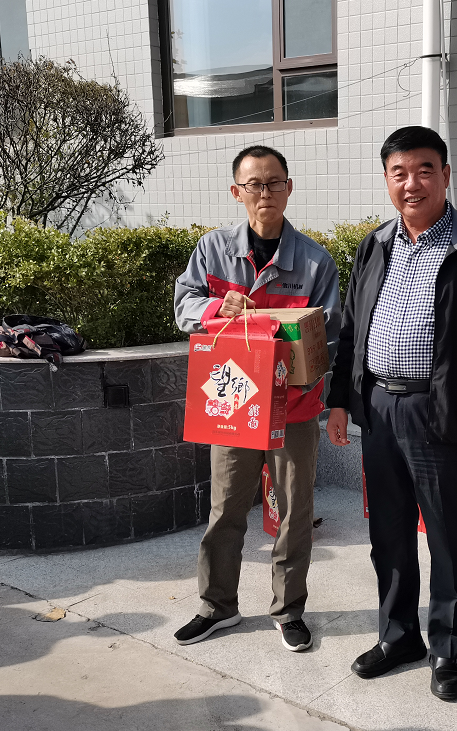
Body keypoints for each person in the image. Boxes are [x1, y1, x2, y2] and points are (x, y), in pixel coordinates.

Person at [326, 126, 457, 700]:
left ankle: (448, 649)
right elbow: (352, 327)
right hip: (379, 409)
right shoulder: (374, 245)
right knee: (388, 532)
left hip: (441, 412)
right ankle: (398, 635)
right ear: (387, 179)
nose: (412, 184)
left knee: (450, 539)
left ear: (446, 175)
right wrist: (340, 398)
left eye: (424, 170)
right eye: (399, 173)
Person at [173, 145, 341, 652]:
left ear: (289, 188)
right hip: (234, 402)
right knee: (226, 508)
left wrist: (300, 361)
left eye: (274, 182)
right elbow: (183, 307)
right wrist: (216, 308)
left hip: (295, 407)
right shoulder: (213, 250)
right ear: (236, 192)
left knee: (295, 512)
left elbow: (329, 336)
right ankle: (217, 606)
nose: (264, 192)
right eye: (254, 184)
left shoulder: (315, 262)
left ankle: (288, 610)